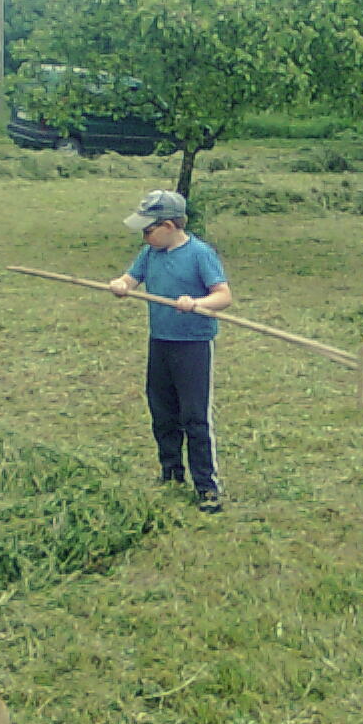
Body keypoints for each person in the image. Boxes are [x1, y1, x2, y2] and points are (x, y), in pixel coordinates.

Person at [109, 189, 232, 514]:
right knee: (162, 411)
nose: (144, 235)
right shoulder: (150, 254)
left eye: (149, 229)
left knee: (193, 417)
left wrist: (197, 303)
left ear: (169, 225)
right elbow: (131, 278)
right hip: (160, 341)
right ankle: (171, 473)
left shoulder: (199, 254)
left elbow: (223, 296)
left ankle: (206, 486)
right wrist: (121, 285)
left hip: (192, 346)